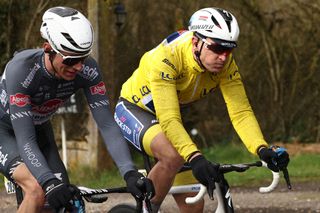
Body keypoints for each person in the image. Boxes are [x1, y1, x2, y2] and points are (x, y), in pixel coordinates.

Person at [114, 7, 290, 213]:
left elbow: (240, 112)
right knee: (173, 156)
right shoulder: (167, 57)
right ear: (195, 42)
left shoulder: (225, 64)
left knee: (195, 207)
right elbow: (169, 119)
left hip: (170, 118)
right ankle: (146, 209)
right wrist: (196, 157)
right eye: (217, 48)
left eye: (229, 49)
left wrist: (262, 149)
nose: (223, 57)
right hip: (133, 109)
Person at [0, 6, 154, 213]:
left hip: (39, 128)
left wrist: (130, 172)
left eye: (83, 58)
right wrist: (48, 182)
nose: (79, 66)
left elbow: (107, 125)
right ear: (48, 48)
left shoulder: (89, 70)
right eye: (71, 60)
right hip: (5, 132)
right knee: (37, 190)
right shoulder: (21, 70)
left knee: (61, 202)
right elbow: (25, 139)